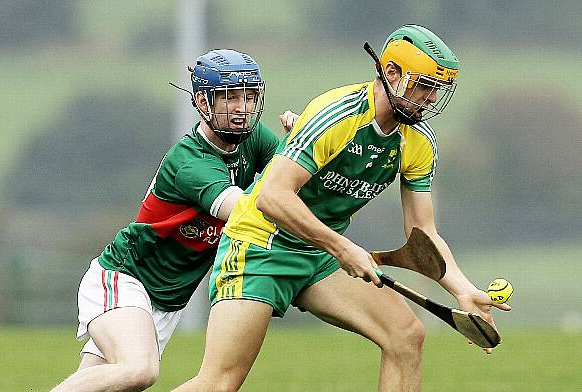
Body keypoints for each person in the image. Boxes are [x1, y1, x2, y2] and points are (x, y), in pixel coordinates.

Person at [173, 25, 512, 392]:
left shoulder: (418, 142)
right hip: (259, 245)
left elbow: (423, 232)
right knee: (219, 383)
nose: (429, 99)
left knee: (405, 335)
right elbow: (272, 196)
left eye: (435, 90)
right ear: (392, 73)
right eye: (423, 86)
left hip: (319, 255)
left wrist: (460, 288)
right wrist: (343, 246)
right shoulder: (339, 115)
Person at [51, 49, 297, 392]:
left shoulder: (252, 140)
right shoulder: (190, 162)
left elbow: (293, 180)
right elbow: (246, 210)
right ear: (202, 101)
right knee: (140, 370)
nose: (242, 107)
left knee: (103, 384)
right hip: (126, 278)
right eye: (230, 97)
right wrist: (292, 154)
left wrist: (301, 144)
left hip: (166, 301)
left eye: (249, 95)